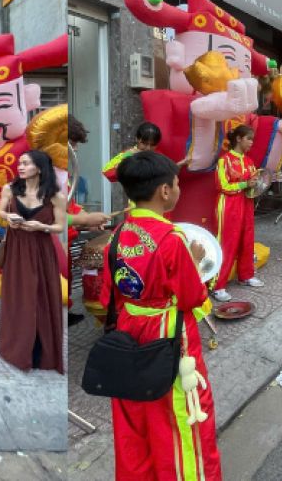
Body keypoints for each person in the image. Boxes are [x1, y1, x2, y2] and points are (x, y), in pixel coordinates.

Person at [100, 150, 221, 480]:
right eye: (177, 183)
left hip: (128, 333)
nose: (179, 189)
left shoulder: (116, 235)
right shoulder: (173, 238)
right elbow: (192, 296)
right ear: (165, 191)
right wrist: (195, 264)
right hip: (169, 334)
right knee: (182, 418)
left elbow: (108, 295)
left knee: (135, 419)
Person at [0, 149, 66, 373]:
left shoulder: (55, 196)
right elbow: (0, 211)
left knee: (41, 298)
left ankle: (41, 352)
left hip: (41, 249)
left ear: (39, 166)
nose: (21, 166)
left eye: (26, 163)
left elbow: (60, 227)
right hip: (16, 249)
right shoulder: (10, 188)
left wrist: (42, 227)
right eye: (19, 163)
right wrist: (10, 218)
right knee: (19, 297)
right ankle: (17, 347)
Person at [67, 115, 111, 326]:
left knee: (65, 280)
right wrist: (82, 218)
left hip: (66, 239)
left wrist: (85, 218)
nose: (75, 150)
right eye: (72, 144)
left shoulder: (62, 175)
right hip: (51, 241)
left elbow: (70, 207)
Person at [212, 124, 262, 301]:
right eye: (249, 138)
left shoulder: (249, 162)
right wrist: (244, 184)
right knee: (227, 242)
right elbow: (222, 185)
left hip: (246, 203)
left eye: (252, 139)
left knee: (247, 238)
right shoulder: (224, 160)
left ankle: (246, 275)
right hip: (228, 204)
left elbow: (255, 181)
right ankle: (217, 285)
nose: (251, 142)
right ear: (238, 139)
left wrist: (257, 183)